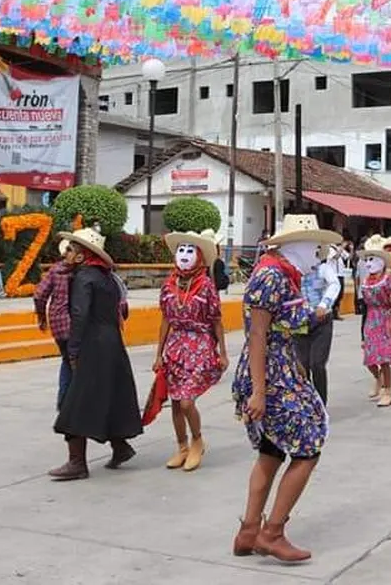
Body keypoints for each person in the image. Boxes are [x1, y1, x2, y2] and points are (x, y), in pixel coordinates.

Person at [231, 214, 341, 563]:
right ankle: (272, 532)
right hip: (272, 374)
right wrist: (260, 391)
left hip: (280, 368)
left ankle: (249, 530)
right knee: (308, 448)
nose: (319, 253)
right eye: (315, 246)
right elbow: (258, 335)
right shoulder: (271, 276)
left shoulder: (284, 276)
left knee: (271, 451)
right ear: (294, 245)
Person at [49, 228, 142, 481]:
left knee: (75, 401)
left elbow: (79, 314)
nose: (65, 253)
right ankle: (120, 447)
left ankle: (77, 462)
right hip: (112, 342)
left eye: (70, 249)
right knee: (107, 396)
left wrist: (74, 349)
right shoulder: (107, 277)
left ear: (81, 257)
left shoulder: (84, 278)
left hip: (93, 343)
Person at [153, 231, 228, 472]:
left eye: (190, 251)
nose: (184, 255)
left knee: (186, 401)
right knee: (175, 402)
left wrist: (222, 352)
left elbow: (216, 320)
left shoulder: (206, 285)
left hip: (200, 346)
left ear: (199, 257)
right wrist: (159, 354)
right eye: (181, 250)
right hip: (175, 347)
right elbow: (165, 320)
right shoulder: (169, 284)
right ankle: (182, 446)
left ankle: (197, 441)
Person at [295, 240, 340, 403]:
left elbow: (335, 284)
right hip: (300, 322)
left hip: (321, 321)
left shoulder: (324, 269)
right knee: (301, 365)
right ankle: (306, 403)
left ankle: (321, 403)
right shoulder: (295, 271)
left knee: (317, 364)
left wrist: (324, 304)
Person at [34, 239, 77, 410]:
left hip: (58, 325)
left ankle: (63, 403)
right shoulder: (80, 272)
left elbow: (39, 295)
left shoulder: (55, 270)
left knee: (67, 361)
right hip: (75, 325)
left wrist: (42, 317)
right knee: (75, 364)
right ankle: (72, 405)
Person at [358, 236, 391, 407]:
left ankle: (388, 390)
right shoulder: (366, 281)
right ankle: (378, 379)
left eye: (372, 259)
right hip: (370, 320)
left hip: (384, 318)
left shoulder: (388, 279)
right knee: (369, 358)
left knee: (384, 358)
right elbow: (365, 307)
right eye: (367, 259)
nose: (368, 263)